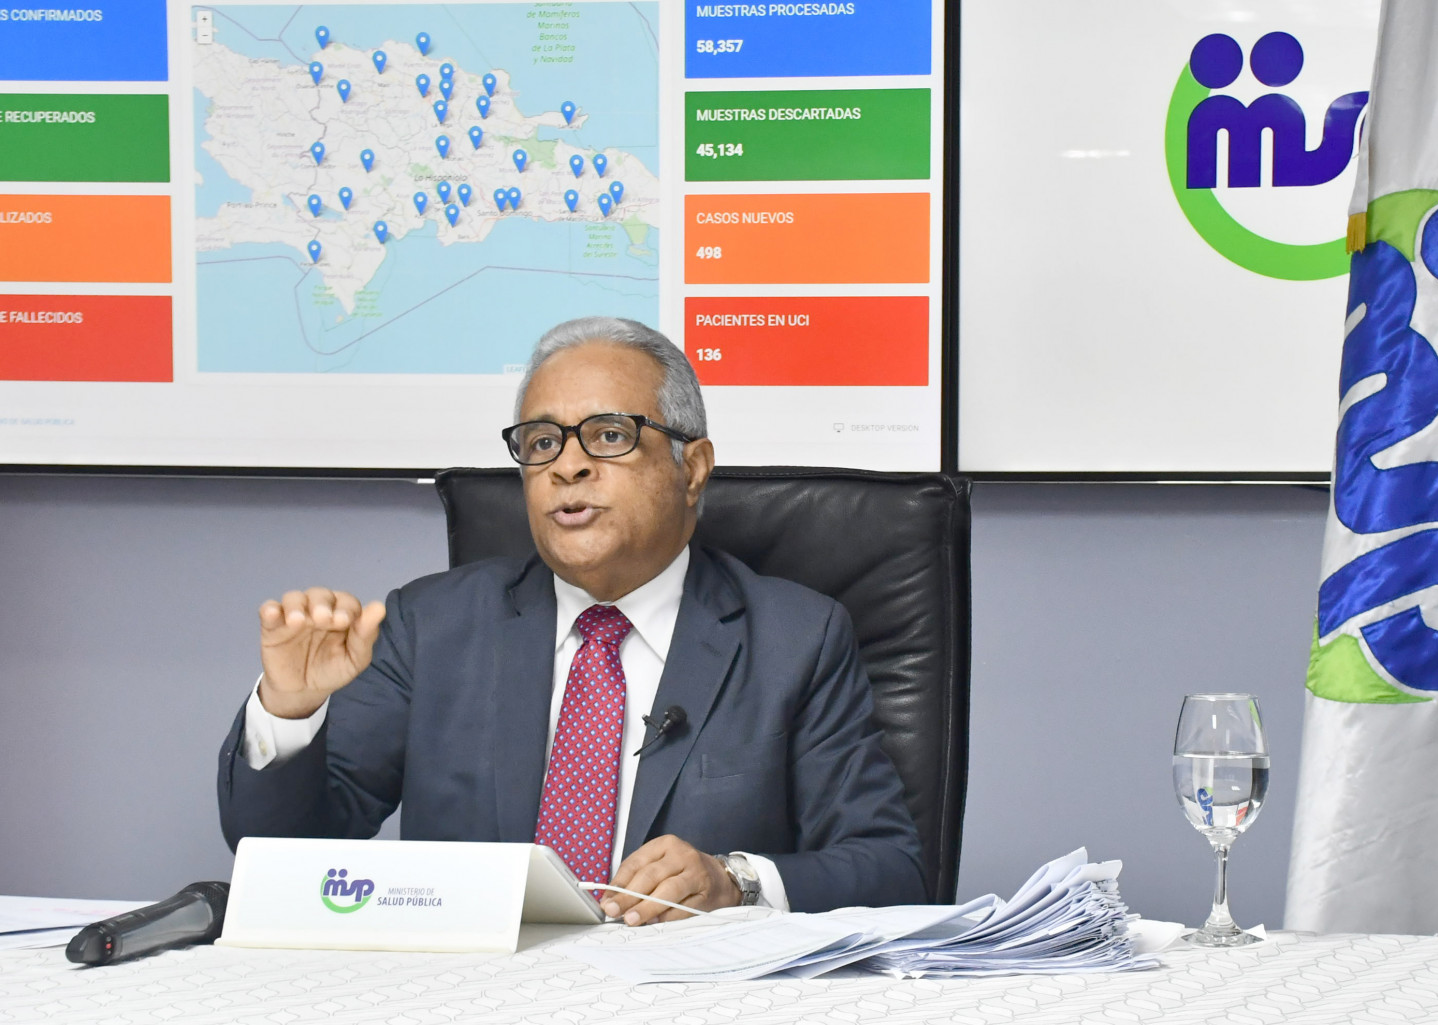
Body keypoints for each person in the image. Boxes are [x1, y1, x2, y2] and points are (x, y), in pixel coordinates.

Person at [216, 316, 926, 922]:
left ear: (692, 468)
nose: (567, 466)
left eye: (609, 435)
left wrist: (734, 882)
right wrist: (290, 711)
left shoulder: (796, 640)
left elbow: (892, 868)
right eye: (542, 442)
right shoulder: (430, 626)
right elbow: (282, 855)